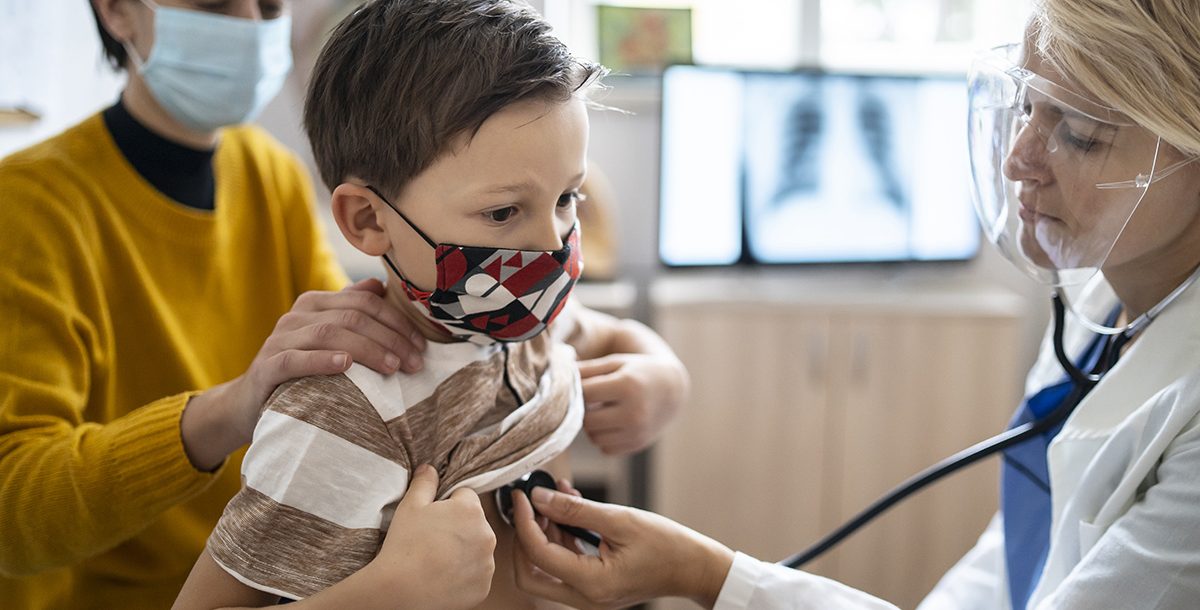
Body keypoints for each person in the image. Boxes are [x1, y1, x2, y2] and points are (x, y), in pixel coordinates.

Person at [508, 1, 1200, 608]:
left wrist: (709, 576)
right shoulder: (1098, 303)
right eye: (1025, 107)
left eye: (1078, 130)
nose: (1019, 158)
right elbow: (1015, 565)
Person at [0, 1, 685, 607]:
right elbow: (12, 513)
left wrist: (655, 364)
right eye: (214, 4)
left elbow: (407, 330)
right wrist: (234, 409)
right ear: (117, 11)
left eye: (269, 4)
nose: (249, 27)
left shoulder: (264, 171)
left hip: (323, 564)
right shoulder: (26, 210)